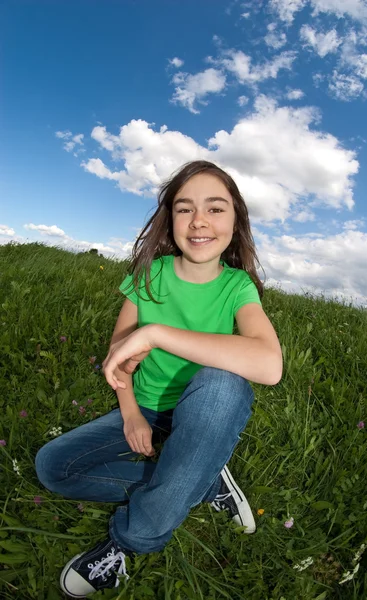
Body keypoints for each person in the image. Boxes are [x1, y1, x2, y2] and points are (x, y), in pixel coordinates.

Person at [35, 160, 283, 597]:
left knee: (225, 382)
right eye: (185, 208)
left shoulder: (237, 287)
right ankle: (200, 479)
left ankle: (131, 538)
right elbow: (120, 358)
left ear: (236, 220)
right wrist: (131, 415)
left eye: (216, 208)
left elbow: (269, 365)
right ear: (170, 220)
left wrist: (156, 333)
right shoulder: (148, 276)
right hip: (147, 405)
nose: (199, 220)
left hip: (202, 410)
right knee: (53, 468)